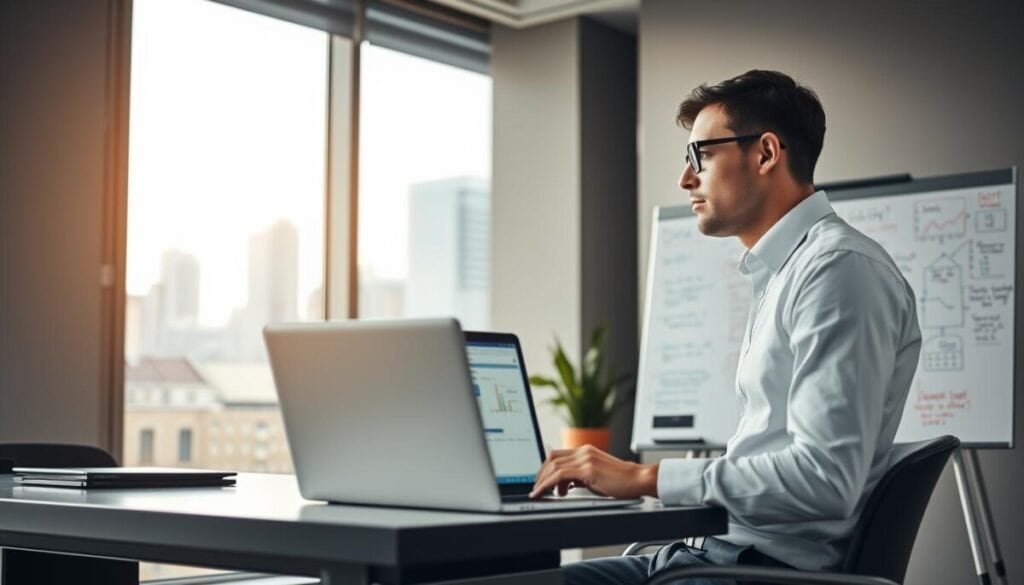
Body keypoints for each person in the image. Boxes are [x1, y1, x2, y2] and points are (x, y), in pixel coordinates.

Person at [529, 70, 922, 584]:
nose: (685, 178)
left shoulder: (838, 271)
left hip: (750, 572)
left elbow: (826, 478)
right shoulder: (789, 271)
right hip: (709, 558)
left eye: (701, 155)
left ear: (764, 153)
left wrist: (645, 476)